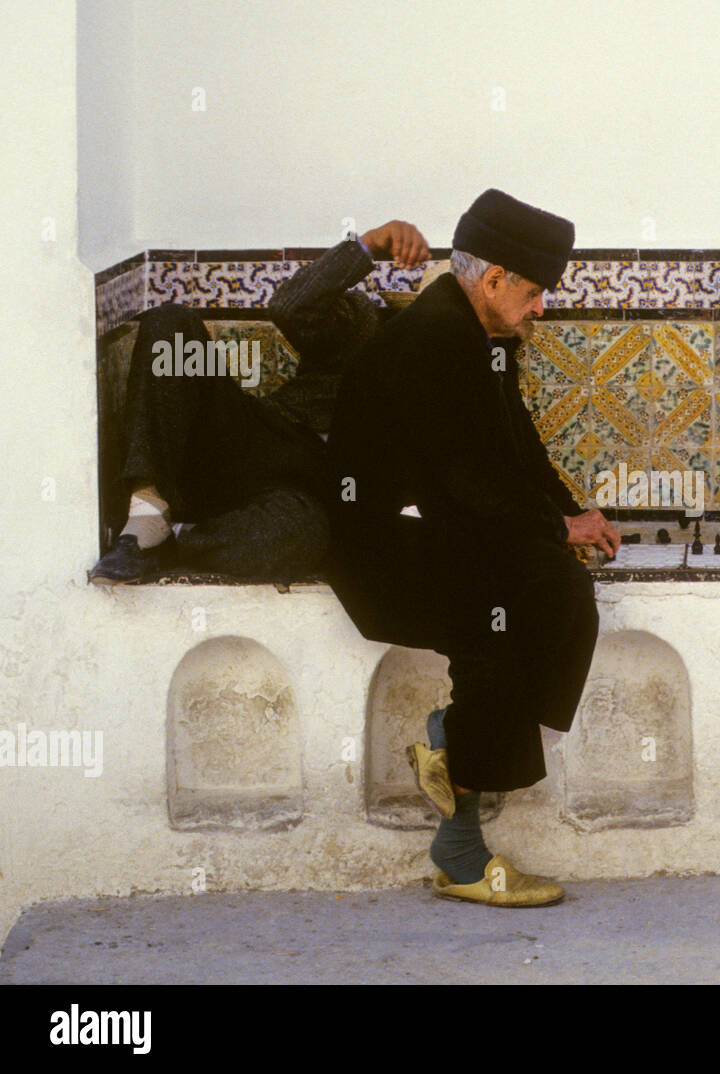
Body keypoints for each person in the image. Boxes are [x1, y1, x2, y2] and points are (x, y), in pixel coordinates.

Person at [327, 189, 619, 906]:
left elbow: (514, 445)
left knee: (557, 596)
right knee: (509, 619)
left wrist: (568, 512)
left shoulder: (476, 335)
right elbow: (468, 481)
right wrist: (557, 531)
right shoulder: (437, 338)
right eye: (535, 293)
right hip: (380, 552)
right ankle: (460, 850)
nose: (541, 309)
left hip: (429, 531)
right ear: (493, 281)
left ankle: (450, 746)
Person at [89, 220, 431, 584]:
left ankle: (171, 538)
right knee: (172, 328)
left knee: (302, 541)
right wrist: (367, 245)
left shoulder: (449, 405)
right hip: (256, 437)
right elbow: (289, 306)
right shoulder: (365, 327)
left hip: (296, 501)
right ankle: (148, 506)